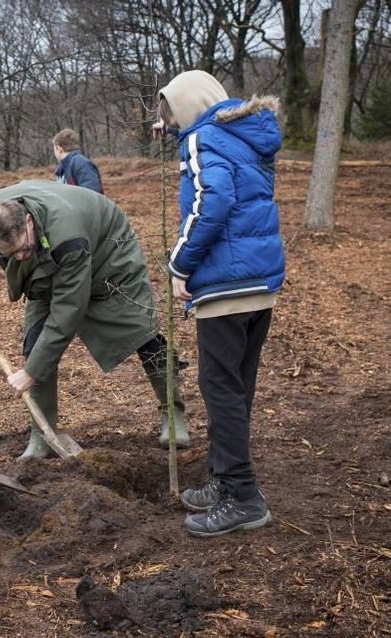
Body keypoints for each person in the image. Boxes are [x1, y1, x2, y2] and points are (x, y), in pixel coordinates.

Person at [0, 180, 189, 460]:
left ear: (28, 221)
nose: (20, 257)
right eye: (10, 253)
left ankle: (173, 415)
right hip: (49, 260)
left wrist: (31, 372)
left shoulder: (68, 237)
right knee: (36, 343)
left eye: (23, 248)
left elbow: (67, 311)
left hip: (109, 255)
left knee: (143, 334)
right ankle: (42, 434)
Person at [157, 70, 284, 537]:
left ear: (187, 106)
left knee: (220, 389)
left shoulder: (202, 138)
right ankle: (223, 482)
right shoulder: (243, 136)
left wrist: (178, 265)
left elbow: (212, 202)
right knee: (236, 388)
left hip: (225, 287)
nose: (170, 125)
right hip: (259, 282)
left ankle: (243, 496)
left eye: (171, 114)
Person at [52, 128, 103, 193]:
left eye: (54, 149)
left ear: (59, 148)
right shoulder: (62, 169)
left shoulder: (81, 163)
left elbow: (91, 193)